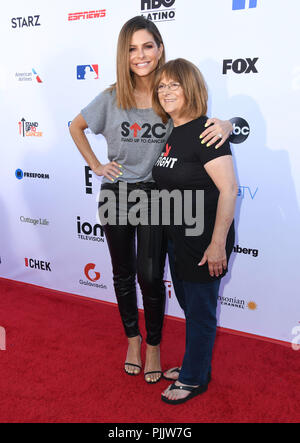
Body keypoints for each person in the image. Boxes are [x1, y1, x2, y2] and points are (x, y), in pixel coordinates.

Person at [69, 16, 233, 385]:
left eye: (147, 46)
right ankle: (133, 340)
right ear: (123, 55)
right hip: (116, 195)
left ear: (160, 49)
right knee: (122, 273)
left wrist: (229, 124)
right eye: (131, 48)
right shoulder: (112, 97)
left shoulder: (168, 94)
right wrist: (96, 164)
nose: (140, 55)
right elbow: (74, 126)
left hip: (157, 196)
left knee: (150, 276)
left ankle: (155, 345)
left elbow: (199, 123)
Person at [152, 58, 237, 404]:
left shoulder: (208, 132)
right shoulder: (172, 131)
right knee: (191, 308)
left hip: (205, 243)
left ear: (192, 89)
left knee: (200, 312)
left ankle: (193, 379)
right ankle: (196, 364)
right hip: (178, 239)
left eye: (175, 84)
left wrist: (218, 244)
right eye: (162, 85)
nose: (166, 91)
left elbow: (229, 190)